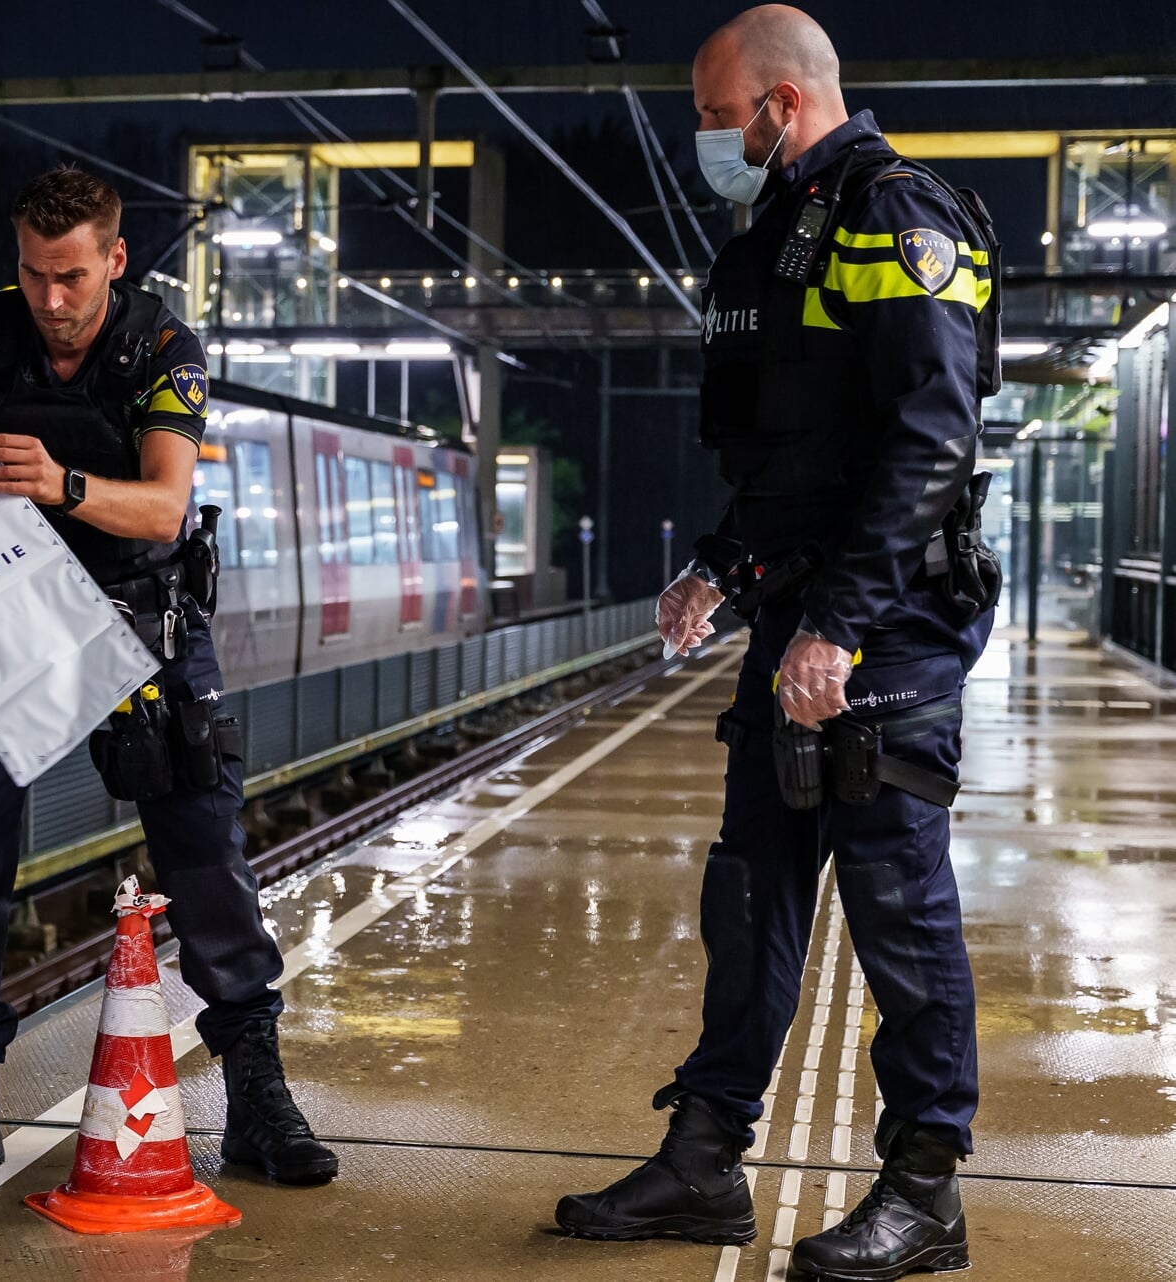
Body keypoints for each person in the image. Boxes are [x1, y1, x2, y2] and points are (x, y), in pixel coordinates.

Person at [553, 9, 1001, 1281]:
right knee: (748, 887)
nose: (702, 137)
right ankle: (703, 1157)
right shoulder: (778, 236)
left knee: (896, 908)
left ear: (779, 104)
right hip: (802, 619)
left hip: (886, 627)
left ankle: (924, 1186)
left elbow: (927, 444)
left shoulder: (897, 218)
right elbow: (795, 457)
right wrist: (722, 566)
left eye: (710, 114)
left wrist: (841, 626)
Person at [0, 167, 337, 1192]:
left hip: (140, 620)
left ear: (113, 259)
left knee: (202, 848)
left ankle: (254, 1093)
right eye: (31, 274)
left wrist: (58, 481)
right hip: (10, 622)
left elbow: (161, 507)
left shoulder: (160, 347)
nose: (51, 301)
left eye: (70, 276)